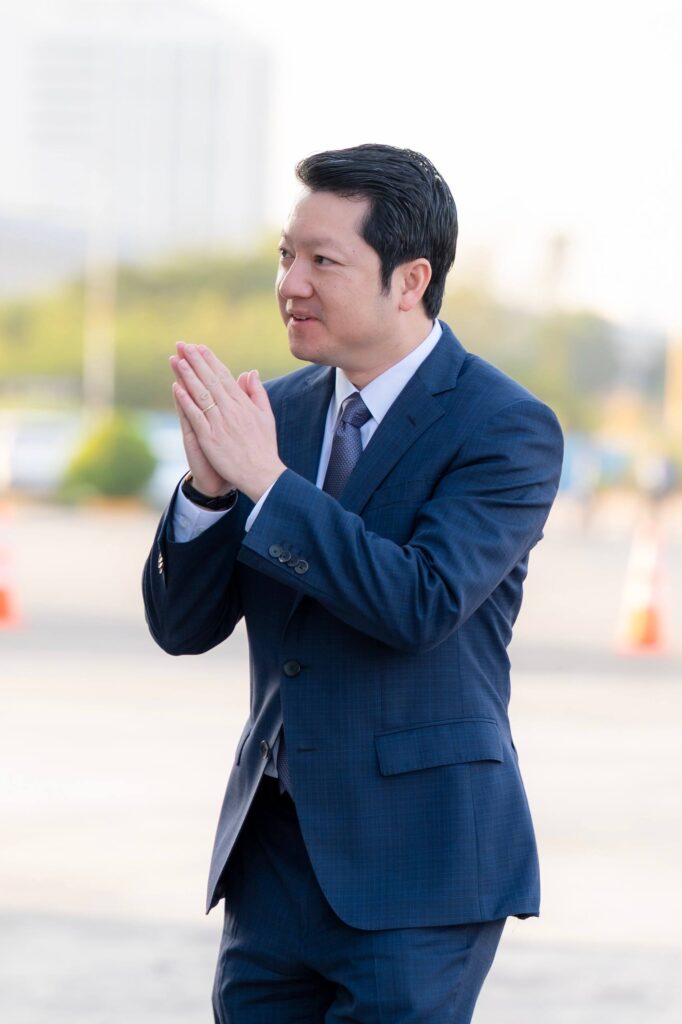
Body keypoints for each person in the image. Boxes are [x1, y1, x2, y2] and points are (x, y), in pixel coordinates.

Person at [142, 143, 564, 1023]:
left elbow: (420, 602)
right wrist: (209, 492)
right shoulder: (276, 415)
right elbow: (183, 627)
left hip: (419, 868)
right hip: (273, 858)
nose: (291, 283)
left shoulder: (505, 427)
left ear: (410, 280)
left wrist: (267, 484)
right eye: (285, 255)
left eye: (323, 261)